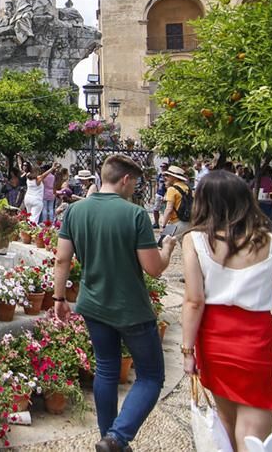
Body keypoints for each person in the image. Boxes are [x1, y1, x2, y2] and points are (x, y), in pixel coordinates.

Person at [53, 154, 177, 452]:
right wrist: (169, 248)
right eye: (134, 182)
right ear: (124, 180)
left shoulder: (75, 211)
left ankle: (107, 436)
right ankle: (117, 438)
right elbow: (153, 268)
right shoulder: (134, 214)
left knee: (107, 370)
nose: (134, 188)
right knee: (150, 376)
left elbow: (61, 259)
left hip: (93, 304)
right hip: (131, 307)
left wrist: (59, 297)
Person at [180, 172, 272, 452]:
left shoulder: (196, 241)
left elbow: (194, 301)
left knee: (226, 424)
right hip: (257, 339)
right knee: (253, 434)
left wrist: (187, 351)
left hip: (214, 338)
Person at [159, 165, 192, 239]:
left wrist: (163, 225)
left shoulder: (172, 189)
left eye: (168, 175)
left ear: (174, 177)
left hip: (174, 223)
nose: (166, 177)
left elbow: (168, 209)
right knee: (184, 246)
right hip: (187, 221)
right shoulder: (187, 188)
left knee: (163, 244)